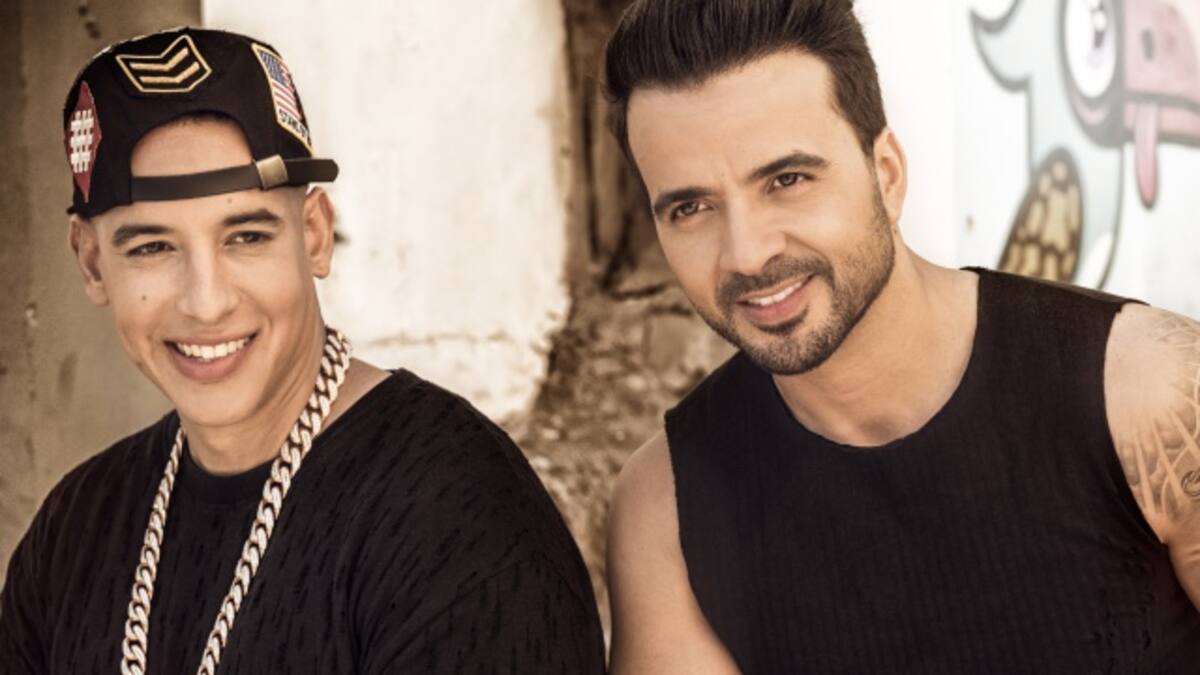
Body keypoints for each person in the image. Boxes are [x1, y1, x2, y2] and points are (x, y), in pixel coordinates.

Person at [601, 1, 1200, 673]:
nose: (745, 252)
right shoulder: (668, 513)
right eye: (690, 207)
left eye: (787, 180)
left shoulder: (1150, 393)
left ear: (886, 174)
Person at [0, 27, 605, 674]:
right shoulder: (77, 530)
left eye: (246, 236)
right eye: (153, 247)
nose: (207, 301)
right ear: (92, 263)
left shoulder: (457, 520)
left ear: (314, 234)